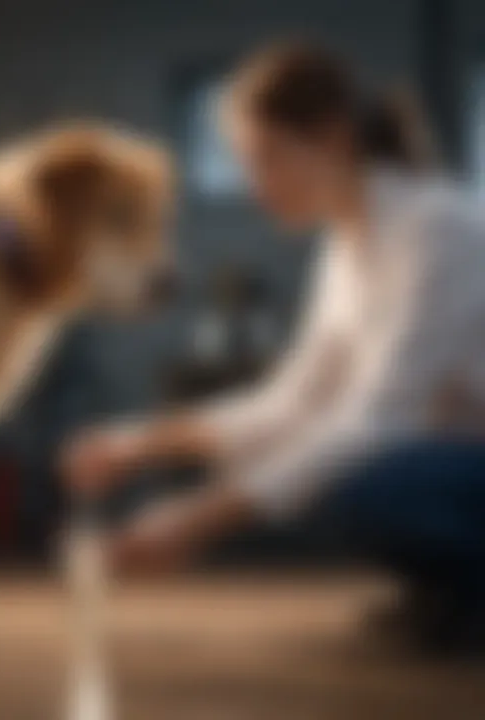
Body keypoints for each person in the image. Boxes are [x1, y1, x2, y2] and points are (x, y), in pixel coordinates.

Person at [60, 41, 485, 654]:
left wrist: (195, 519)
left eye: (268, 159)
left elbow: (375, 424)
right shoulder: (347, 245)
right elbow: (292, 403)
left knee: (360, 478)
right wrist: (134, 445)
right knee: (312, 470)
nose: (258, 189)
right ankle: (455, 595)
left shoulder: (437, 231)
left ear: (335, 138)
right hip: (463, 457)